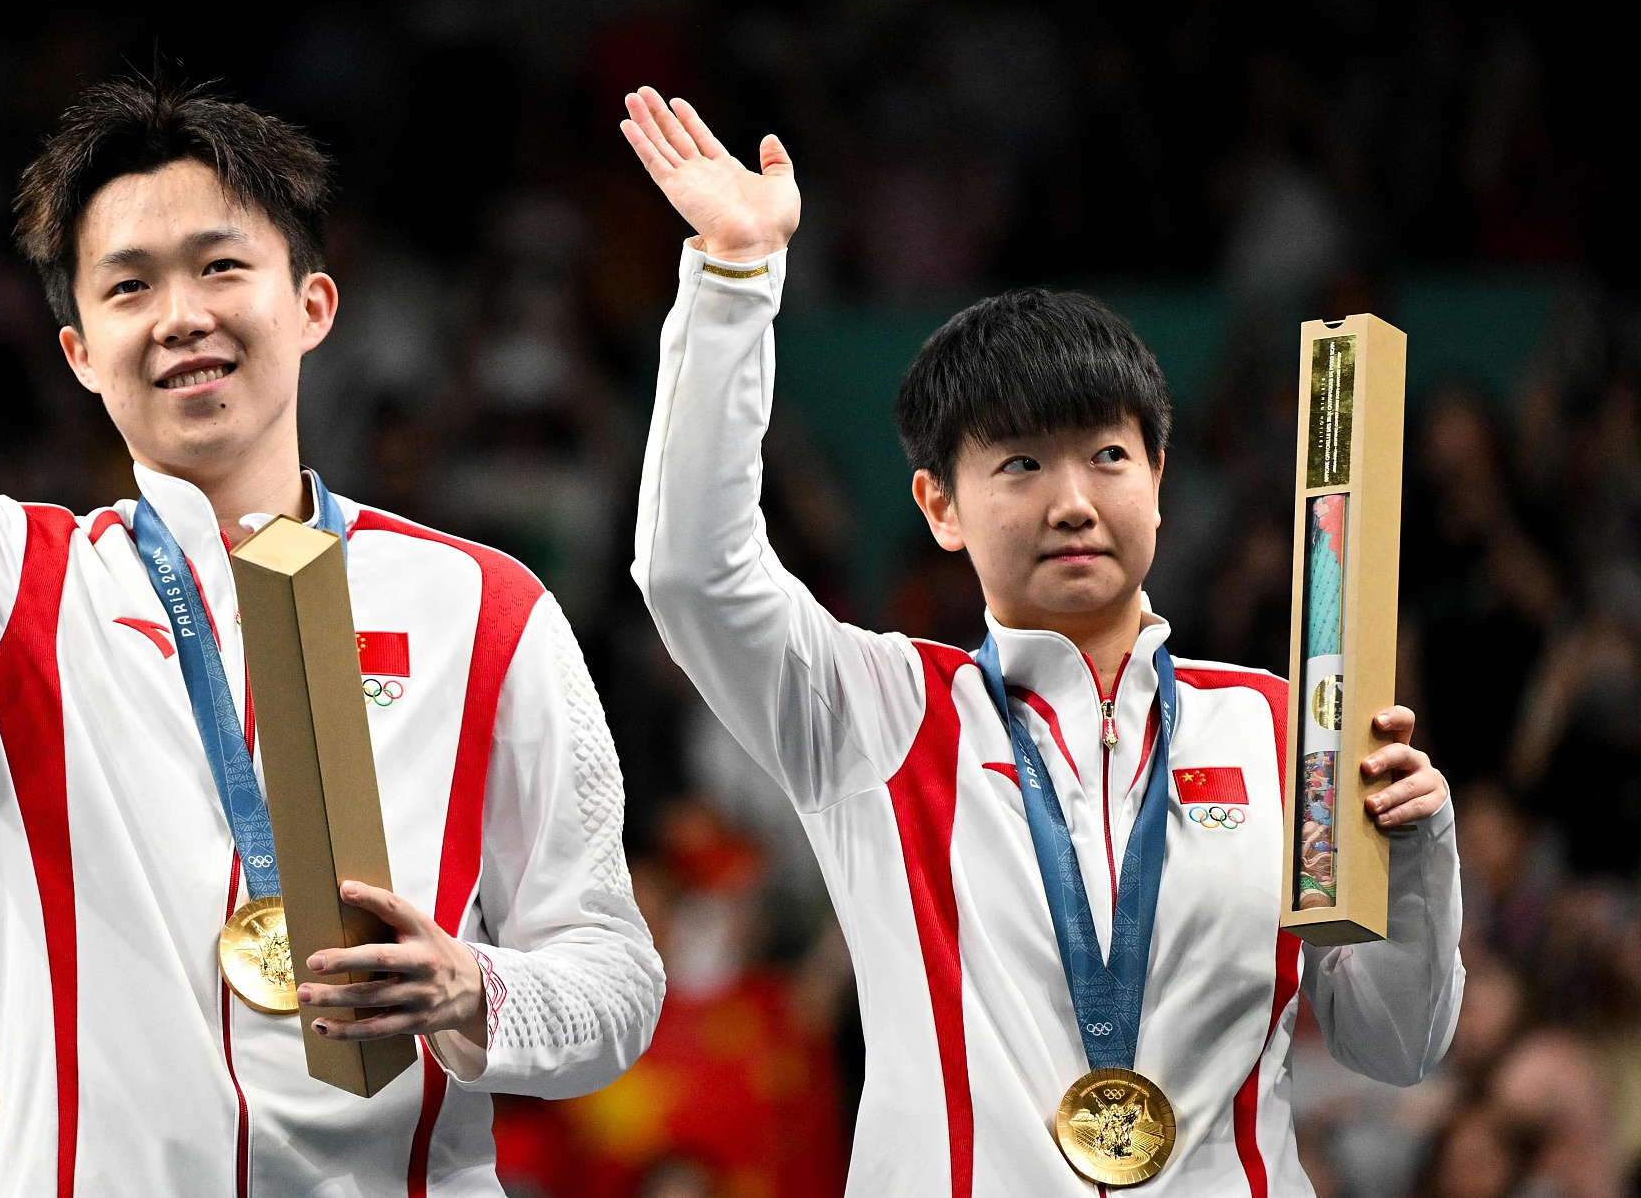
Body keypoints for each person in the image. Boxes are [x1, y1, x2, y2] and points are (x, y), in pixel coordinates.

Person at [0, 0, 662, 1197]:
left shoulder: (484, 610)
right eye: (130, 286)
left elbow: (615, 983)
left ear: (313, 304)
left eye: (221, 266)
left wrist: (473, 986)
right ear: (80, 353)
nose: (182, 315)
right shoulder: (4, 593)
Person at [621, 86, 1461, 1195]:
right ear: (938, 506)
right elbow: (689, 570)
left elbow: (1390, 1046)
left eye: (1106, 457)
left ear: (1158, 482)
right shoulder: (874, 715)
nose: (1071, 501)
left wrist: (1416, 863)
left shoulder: (1279, 722)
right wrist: (731, 279)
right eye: (1018, 464)